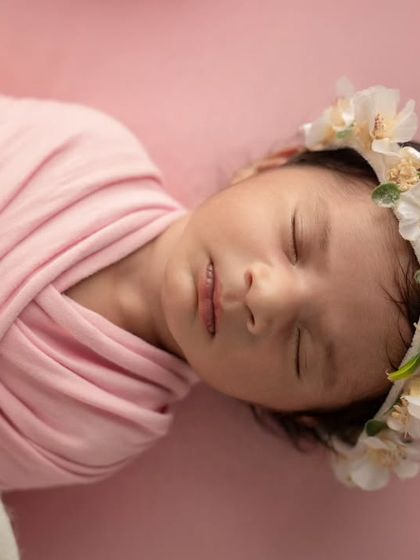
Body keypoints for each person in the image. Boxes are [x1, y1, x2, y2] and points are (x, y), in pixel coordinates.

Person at [0, 79, 419, 501]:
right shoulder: (87, 155)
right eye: (295, 240)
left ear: (294, 411)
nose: (266, 299)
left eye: (300, 349)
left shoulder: (104, 425)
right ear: (272, 164)